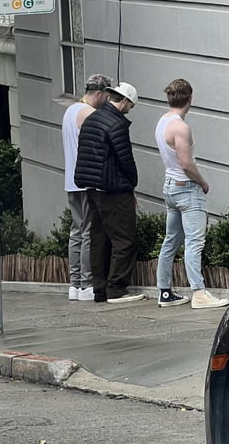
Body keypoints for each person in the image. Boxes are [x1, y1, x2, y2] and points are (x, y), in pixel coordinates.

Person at [155, 78, 229, 309]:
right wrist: (203, 182)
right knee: (195, 242)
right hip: (186, 188)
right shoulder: (180, 127)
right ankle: (198, 292)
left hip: (169, 186)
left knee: (171, 241)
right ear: (190, 98)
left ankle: (165, 292)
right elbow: (186, 164)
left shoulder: (162, 122)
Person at [74, 82, 144, 304]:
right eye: (130, 105)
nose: (129, 109)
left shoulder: (91, 119)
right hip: (113, 188)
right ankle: (117, 288)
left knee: (98, 239)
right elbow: (125, 159)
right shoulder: (116, 124)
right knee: (124, 239)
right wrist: (132, 183)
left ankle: (100, 289)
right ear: (123, 100)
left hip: (91, 188)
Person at [61, 74, 112, 301]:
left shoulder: (70, 110)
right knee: (89, 232)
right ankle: (87, 283)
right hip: (88, 180)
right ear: (100, 92)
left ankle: (74, 284)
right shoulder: (90, 114)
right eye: (107, 95)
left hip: (71, 180)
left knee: (76, 231)